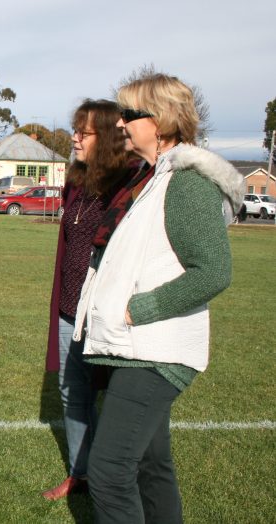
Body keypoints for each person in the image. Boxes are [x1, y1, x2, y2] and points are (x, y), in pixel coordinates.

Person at [72, 74, 243, 522]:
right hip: (137, 346)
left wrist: (139, 309)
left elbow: (214, 271)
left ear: (162, 121)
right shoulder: (151, 178)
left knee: (109, 472)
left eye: (130, 115)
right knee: (152, 465)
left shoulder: (187, 183)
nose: (121, 124)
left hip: (154, 349)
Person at [42, 99, 134, 501]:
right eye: (74, 130)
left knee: (115, 396)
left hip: (105, 313)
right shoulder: (76, 182)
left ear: (109, 137)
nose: (74, 138)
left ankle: (113, 478)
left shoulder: (129, 184)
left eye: (84, 132)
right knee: (71, 391)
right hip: (68, 308)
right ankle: (81, 473)